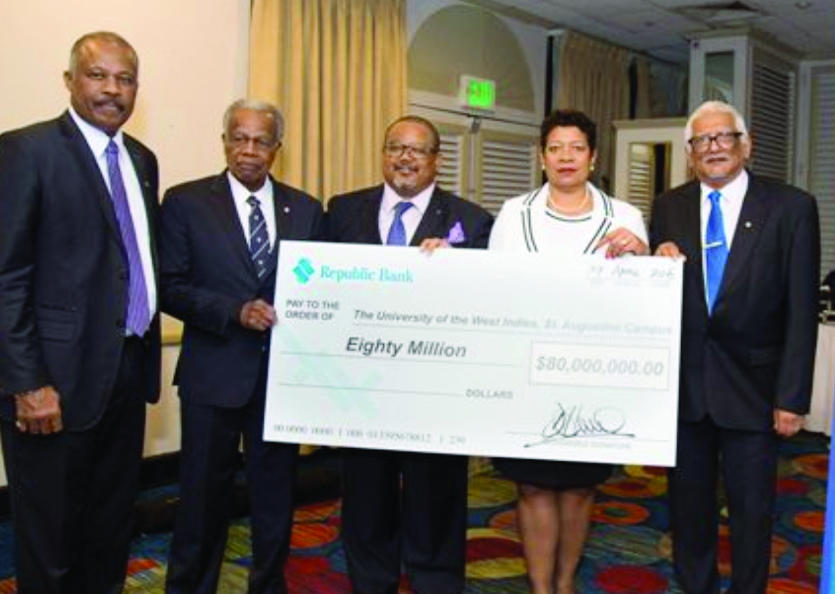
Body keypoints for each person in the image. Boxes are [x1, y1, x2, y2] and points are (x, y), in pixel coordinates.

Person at [0, 31, 161, 593]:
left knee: (108, 534)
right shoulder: (25, 150)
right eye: (97, 75)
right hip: (51, 385)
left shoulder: (142, 159)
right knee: (50, 543)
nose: (112, 89)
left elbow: (132, 264)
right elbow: (3, 275)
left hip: (127, 376)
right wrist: (27, 382)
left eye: (124, 79)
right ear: (69, 81)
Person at [651, 100, 819, 594]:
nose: (714, 148)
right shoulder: (668, 206)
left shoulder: (790, 206)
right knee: (688, 511)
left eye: (724, 137)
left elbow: (801, 310)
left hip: (756, 392)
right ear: (690, 153)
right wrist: (653, 260)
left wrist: (792, 397)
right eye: (703, 141)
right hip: (686, 395)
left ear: (745, 145)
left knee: (752, 514)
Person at [160, 99, 324, 594]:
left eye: (261, 140)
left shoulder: (308, 209)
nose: (248, 150)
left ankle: (268, 585)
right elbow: (169, 286)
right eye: (239, 137)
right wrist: (234, 311)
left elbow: (322, 288)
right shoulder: (186, 202)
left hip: (280, 380)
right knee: (201, 499)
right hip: (213, 375)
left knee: (275, 499)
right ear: (225, 140)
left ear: (278, 148)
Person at [327, 115, 493, 593]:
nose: (404, 157)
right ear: (383, 154)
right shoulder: (341, 211)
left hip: (434, 393)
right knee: (366, 498)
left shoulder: (471, 220)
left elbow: (482, 303)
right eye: (395, 147)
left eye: (417, 150)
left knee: (435, 501)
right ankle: (371, 581)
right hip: (361, 390)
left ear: (436, 160)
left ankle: (435, 581)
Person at [488, 109, 648, 594]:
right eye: (555, 148)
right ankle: (541, 588)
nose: (565, 158)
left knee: (580, 487)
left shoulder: (625, 216)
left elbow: (645, 300)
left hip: (594, 374)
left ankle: (564, 583)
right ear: (541, 157)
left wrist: (641, 254)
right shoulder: (515, 213)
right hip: (526, 372)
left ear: (593, 156)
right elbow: (493, 289)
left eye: (576, 148)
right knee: (532, 484)